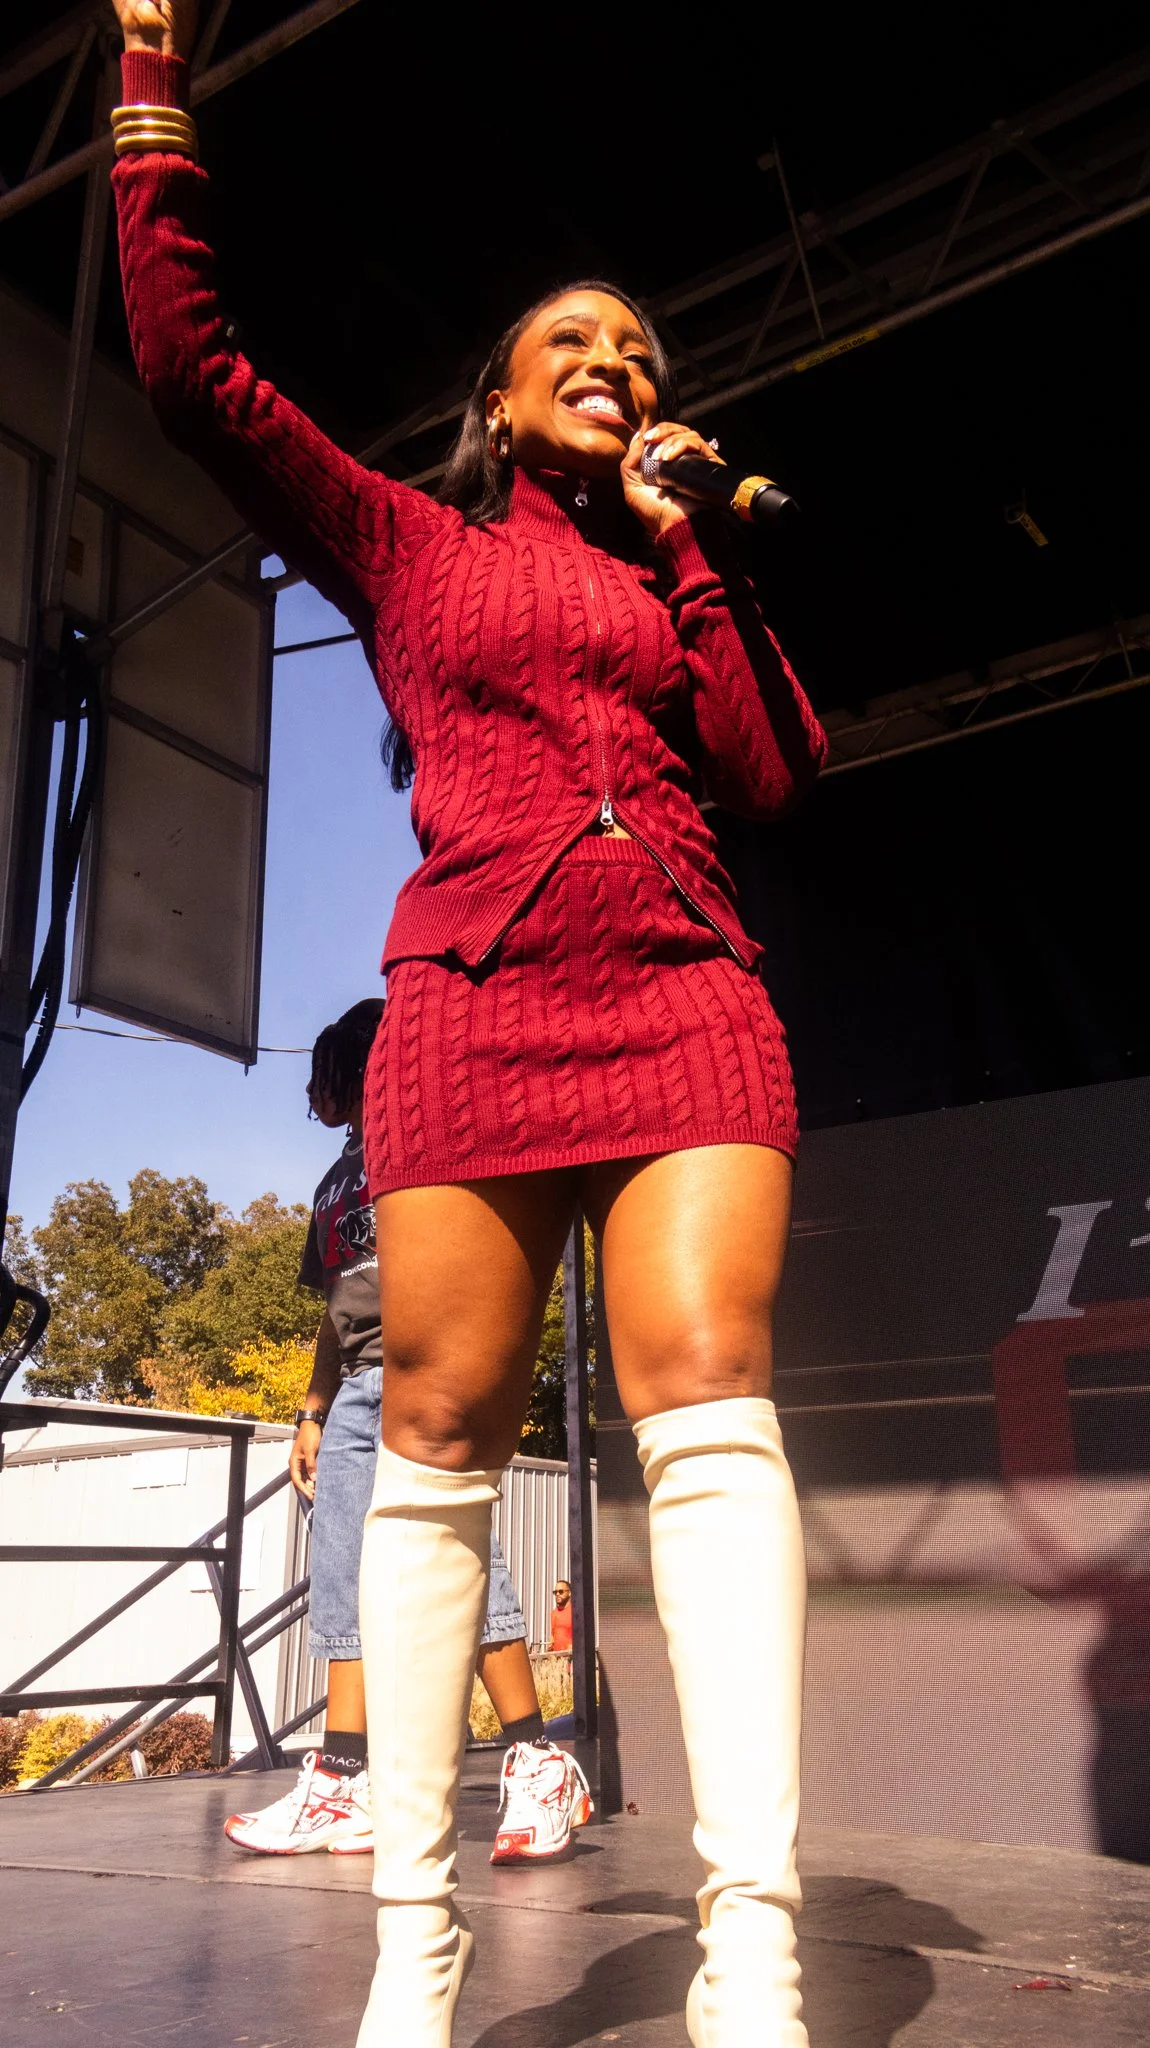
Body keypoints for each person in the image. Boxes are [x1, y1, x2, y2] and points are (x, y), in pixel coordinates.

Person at [109, 8, 829, 2043]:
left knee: (712, 1394)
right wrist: (151, 93)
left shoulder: (675, 574)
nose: (617, 363)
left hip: (682, 987)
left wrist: (694, 546)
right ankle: (412, 1938)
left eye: (640, 355)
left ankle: (753, 1946)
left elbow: (774, 765)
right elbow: (192, 373)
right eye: (572, 345)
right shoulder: (408, 541)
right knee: (431, 1433)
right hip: (477, 998)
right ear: (498, 407)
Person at [224, 1002, 591, 1863]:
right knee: (341, 1572)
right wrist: (312, 1411)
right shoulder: (333, 1182)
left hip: (424, 1370)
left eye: (320, 1078)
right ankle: (346, 1779)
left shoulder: (428, 1137)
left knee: (455, 1557)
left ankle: (538, 1759)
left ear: (353, 1068)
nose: (311, 1099)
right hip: (355, 1388)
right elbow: (334, 1309)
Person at [550, 1581, 573, 1654]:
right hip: (558, 1657)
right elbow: (553, 1634)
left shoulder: (575, 1612)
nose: (557, 1594)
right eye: (555, 1592)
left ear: (569, 1593)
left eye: (560, 1591)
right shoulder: (554, 1613)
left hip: (571, 1656)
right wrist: (551, 1646)